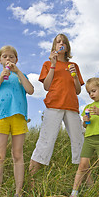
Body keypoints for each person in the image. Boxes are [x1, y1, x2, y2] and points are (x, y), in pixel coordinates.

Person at [29, 33, 84, 184]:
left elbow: (78, 90)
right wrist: (53, 64)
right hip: (54, 105)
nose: (60, 44)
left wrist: (74, 77)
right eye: (58, 42)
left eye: (63, 42)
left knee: (79, 142)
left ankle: (87, 181)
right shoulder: (47, 64)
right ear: (54, 46)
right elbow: (46, 86)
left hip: (72, 107)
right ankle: (31, 180)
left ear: (67, 47)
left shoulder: (74, 66)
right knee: (46, 141)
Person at [0, 45, 34, 197]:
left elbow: (30, 90)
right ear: (0, 60)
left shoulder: (20, 75)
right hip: (0, 117)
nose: (8, 59)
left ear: (16, 60)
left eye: (11, 57)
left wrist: (18, 72)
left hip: (19, 116)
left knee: (18, 154)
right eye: (5, 57)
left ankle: (18, 193)